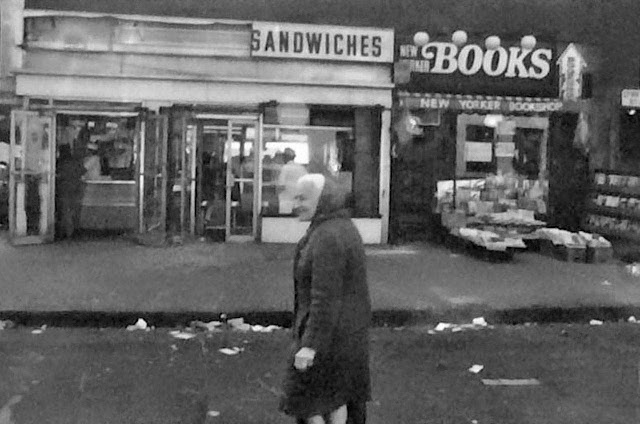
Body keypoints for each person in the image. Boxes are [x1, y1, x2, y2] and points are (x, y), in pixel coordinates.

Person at [280, 174, 372, 424]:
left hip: (330, 342)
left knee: (308, 402)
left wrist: (310, 345)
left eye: (303, 198)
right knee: (336, 400)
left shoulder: (328, 236)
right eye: (295, 197)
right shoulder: (337, 227)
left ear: (323, 199)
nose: (295, 203)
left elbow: (325, 297)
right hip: (344, 339)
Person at [55, 145, 86, 239]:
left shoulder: (60, 163)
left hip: (65, 188)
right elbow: (82, 171)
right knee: (74, 210)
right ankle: (74, 230)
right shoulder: (76, 162)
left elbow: (58, 175)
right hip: (77, 188)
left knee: (65, 211)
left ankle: (66, 232)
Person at [277, 148, 307, 214]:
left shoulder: (285, 168)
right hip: (299, 202)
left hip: (286, 201)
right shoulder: (302, 168)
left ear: (285, 157)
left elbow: (281, 185)